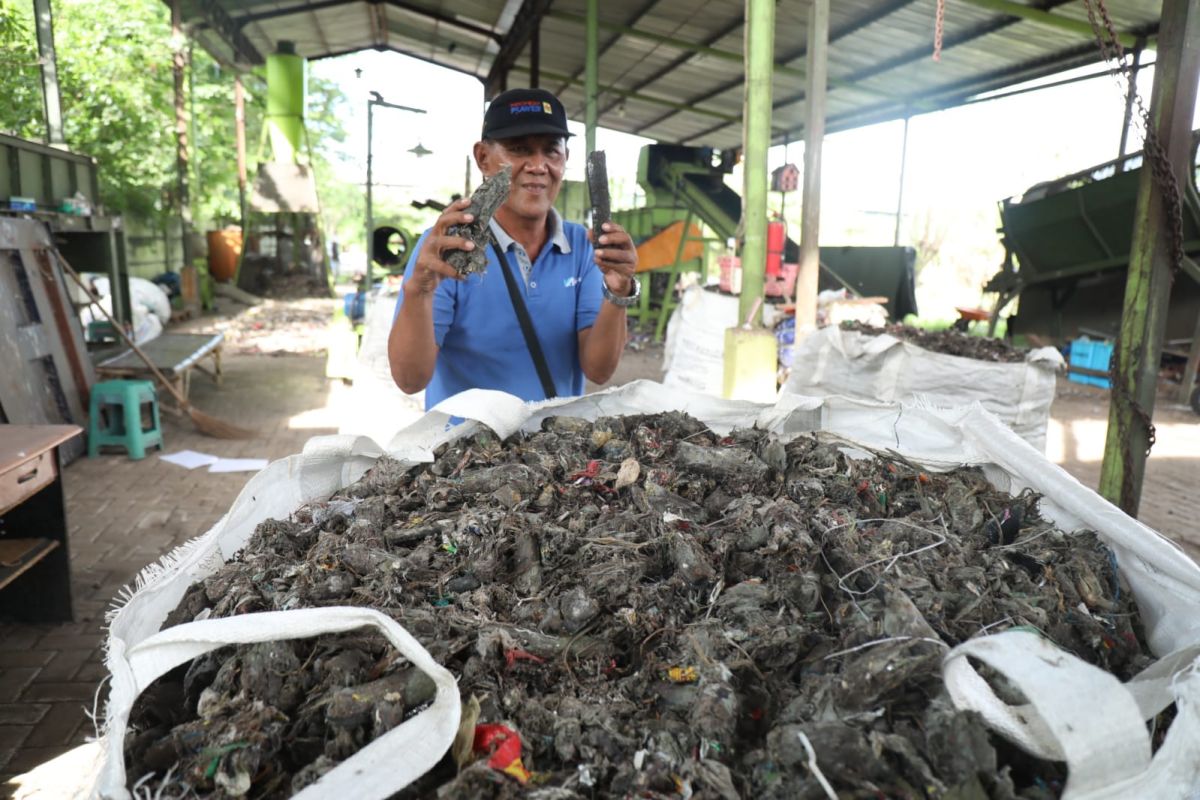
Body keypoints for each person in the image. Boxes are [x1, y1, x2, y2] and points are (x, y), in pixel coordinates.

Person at [388, 87, 639, 409]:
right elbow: (410, 381)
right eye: (519, 149)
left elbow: (599, 371)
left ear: (565, 160)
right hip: (465, 451)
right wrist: (418, 291)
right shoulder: (446, 249)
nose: (538, 166)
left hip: (550, 451)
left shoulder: (584, 248)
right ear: (483, 158)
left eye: (551, 151)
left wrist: (617, 293)